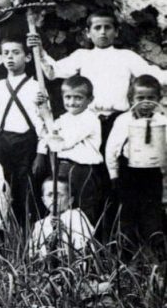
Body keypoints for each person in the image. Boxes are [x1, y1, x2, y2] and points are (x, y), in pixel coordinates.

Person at [38, 10, 167, 144]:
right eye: (97, 28)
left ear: (116, 32)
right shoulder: (82, 56)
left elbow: (154, 75)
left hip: (117, 120)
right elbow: (53, 72)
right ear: (88, 33)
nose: (103, 32)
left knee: (115, 157)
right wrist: (40, 52)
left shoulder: (126, 56)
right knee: (91, 159)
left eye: (108, 27)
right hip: (88, 120)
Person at [0, 36, 44, 225]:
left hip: (26, 143)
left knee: (27, 190)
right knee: (1, 187)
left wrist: (41, 152)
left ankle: (27, 234)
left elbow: (42, 123)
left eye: (16, 53)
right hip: (1, 142)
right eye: (5, 53)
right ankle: (2, 233)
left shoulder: (35, 87)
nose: (10, 57)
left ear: (28, 57)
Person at [104, 75, 166, 251]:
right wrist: (113, 174)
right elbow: (112, 149)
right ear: (131, 99)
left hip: (153, 172)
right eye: (140, 98)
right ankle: (126, 251)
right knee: (127, 212)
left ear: (159, 99)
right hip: (128, 172)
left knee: (152, 211)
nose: (145, 103)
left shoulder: (162, 121)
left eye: (151, 98)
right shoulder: (123, 120)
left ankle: (154, 251)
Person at [35, 75, 104, 226]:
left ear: (90, 100)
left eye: (78, 98)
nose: (72, 102)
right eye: (68, 97)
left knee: (82, 211)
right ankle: (62, 244)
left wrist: (47, 118)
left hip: (82, 171)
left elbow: (62, 143)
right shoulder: (64, 118)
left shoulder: (89, 119)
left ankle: (83, 244)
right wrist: (41, 110)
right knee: (61, 208)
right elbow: (45, 134)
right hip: (63, 168)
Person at [28, 176, 94, 259]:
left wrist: (64, 232)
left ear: (70, 200)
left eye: (58, 195)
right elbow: (33, 251)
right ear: (43, 200)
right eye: (49, 195)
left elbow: (84, 244)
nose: (54, 199)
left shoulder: (76, 217)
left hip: (73, 264)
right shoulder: (40, 225)